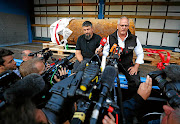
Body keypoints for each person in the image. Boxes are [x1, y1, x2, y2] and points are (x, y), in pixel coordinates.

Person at [103, 16, 144, 99]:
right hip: (113, 62)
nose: (123, 28)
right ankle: (108, 100)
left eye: (126, 25)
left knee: (135, 81)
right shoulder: (110, 37)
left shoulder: (134, 39)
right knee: (106, 79)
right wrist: (104, 65)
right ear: (117, 26)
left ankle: (129, 101)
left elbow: (140, 53)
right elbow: (105, 52)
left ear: (128, 26)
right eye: (122, 25)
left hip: (127, 64)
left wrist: (136, 66)